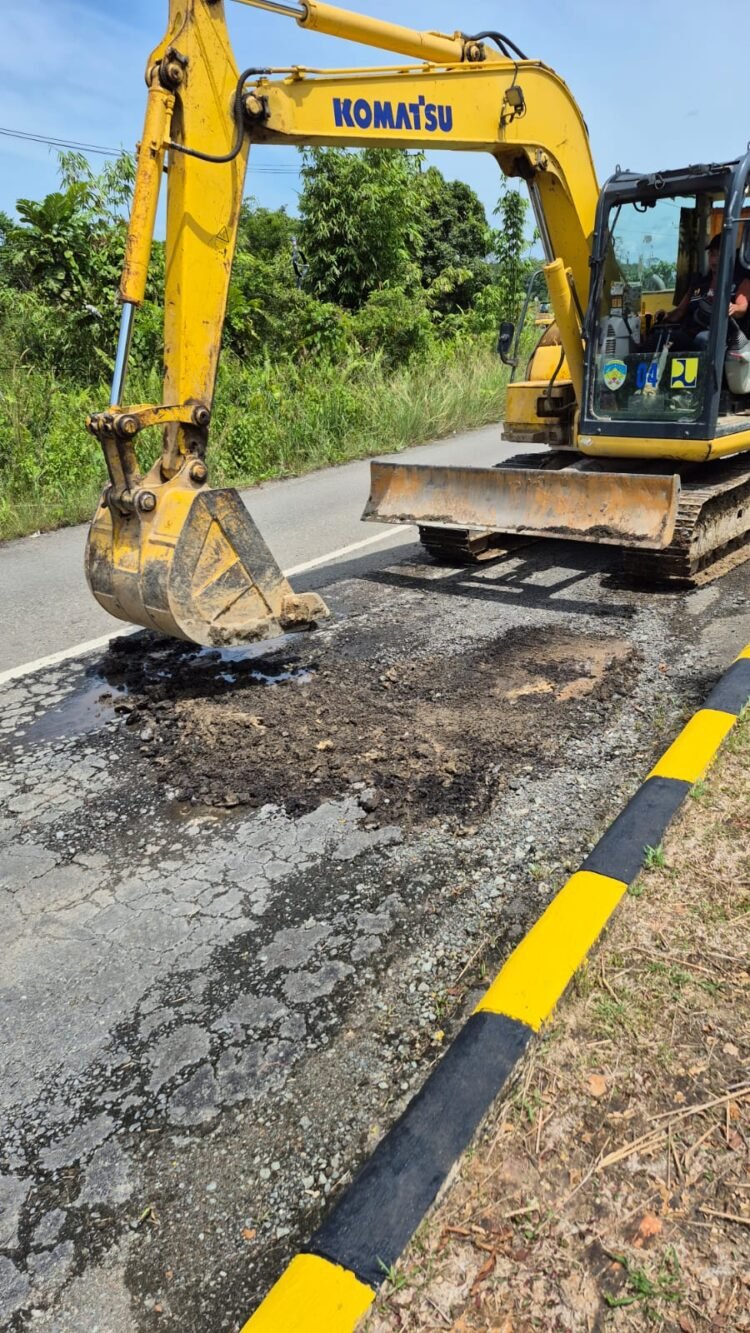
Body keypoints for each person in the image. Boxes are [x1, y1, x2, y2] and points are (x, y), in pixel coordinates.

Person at [652, 234, 750, 351]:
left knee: (703, 339)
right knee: (657, 338)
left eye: (719, 254)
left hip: (720, 340)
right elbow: (680, 311)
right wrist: (665, 316)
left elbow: (742, 308)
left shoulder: (741, 282)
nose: (715, 259)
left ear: (730, 257)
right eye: (712, 254)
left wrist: (733, 308)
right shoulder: (699, 284)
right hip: (690, 334)